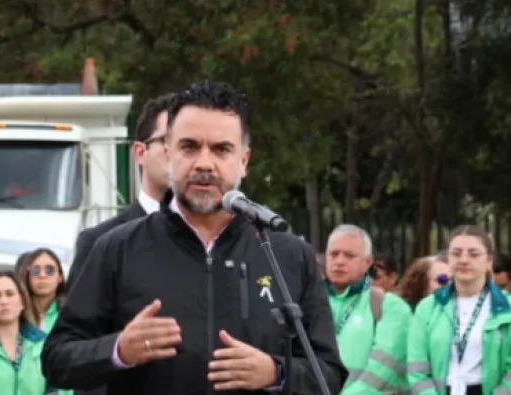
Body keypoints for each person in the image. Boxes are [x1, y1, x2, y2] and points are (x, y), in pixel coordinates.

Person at [41, 81, 346, 394]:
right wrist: (118, 350)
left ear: (244, 161)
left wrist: (276, 372)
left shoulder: (287, 255)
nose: (204, 163)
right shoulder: (117, 249)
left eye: (221, 149)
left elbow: (329, 375)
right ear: (168, 154)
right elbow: (56, 359)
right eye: (189, 147)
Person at [68, 93, 173, 288]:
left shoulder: (218, 240)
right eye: (169, 141)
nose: (181, 153)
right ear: (140, 152)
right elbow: (79, 308)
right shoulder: (98, 242)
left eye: (190, 145)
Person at [407, 225, 511, 395]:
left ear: (489, 260)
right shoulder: (428, 307)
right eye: (456, 253)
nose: (463, 260)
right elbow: (416, 368)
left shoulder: (507, 307)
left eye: (473, 254)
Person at [323, 225, 412, 394]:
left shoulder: (391, 307)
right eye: (334, 254)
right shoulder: (308, 304)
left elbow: (381, 373)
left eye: (349, 255)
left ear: (368, 262)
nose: (339, 261)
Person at [14, 248, 67, 332]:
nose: (42, 275)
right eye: (35, 270)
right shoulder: (15, 312)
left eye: (49, 270)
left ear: (60, 277)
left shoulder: (70, 314)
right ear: (28, 276)